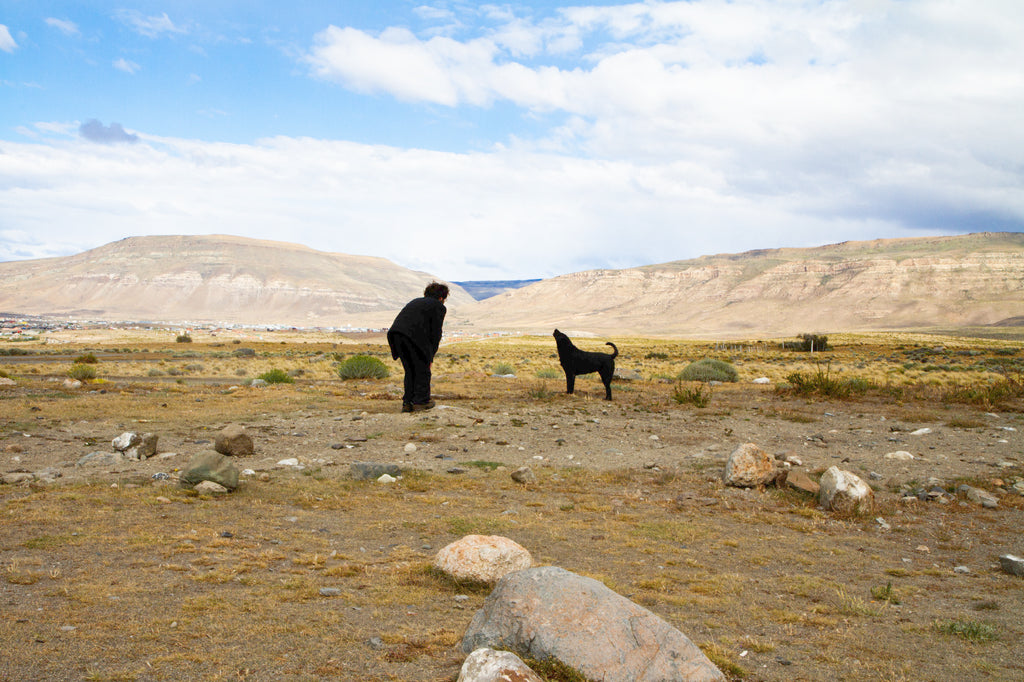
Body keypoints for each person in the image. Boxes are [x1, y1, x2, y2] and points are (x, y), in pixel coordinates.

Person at [387, 282, 449, 412]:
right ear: (441, 298)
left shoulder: (415, 302)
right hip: (412, 337)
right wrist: (430, 357)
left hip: (396, 335)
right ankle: (421, 402)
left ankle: (407, 403)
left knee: (410, 370)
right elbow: (435, 333)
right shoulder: (438, 306)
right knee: (422, 370)